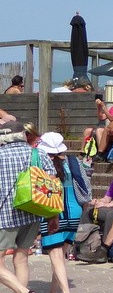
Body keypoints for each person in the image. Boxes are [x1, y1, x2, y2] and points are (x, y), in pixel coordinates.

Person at [0, 122, 57, 293]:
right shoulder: (38, 153)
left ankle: (24, 291)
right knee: (21, 257)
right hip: (33, 212)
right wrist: (53, 215)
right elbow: (53, 185)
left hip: (4, 215)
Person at [37, 131, 91, 293]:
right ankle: (54, 290)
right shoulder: (74, 161)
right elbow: (86, 187)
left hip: (52, 211)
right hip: (74, 210)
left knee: (56, 256)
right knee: (61, 256)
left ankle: (65, 291)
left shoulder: (41, 164)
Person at [84, 93, 113, 160]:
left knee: (99, 130)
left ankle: (101, 153)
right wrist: (99, 107)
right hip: (110, 128)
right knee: (88, 130)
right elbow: (102, 117)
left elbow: (112, 119)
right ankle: (83, 152)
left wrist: (104, 107)